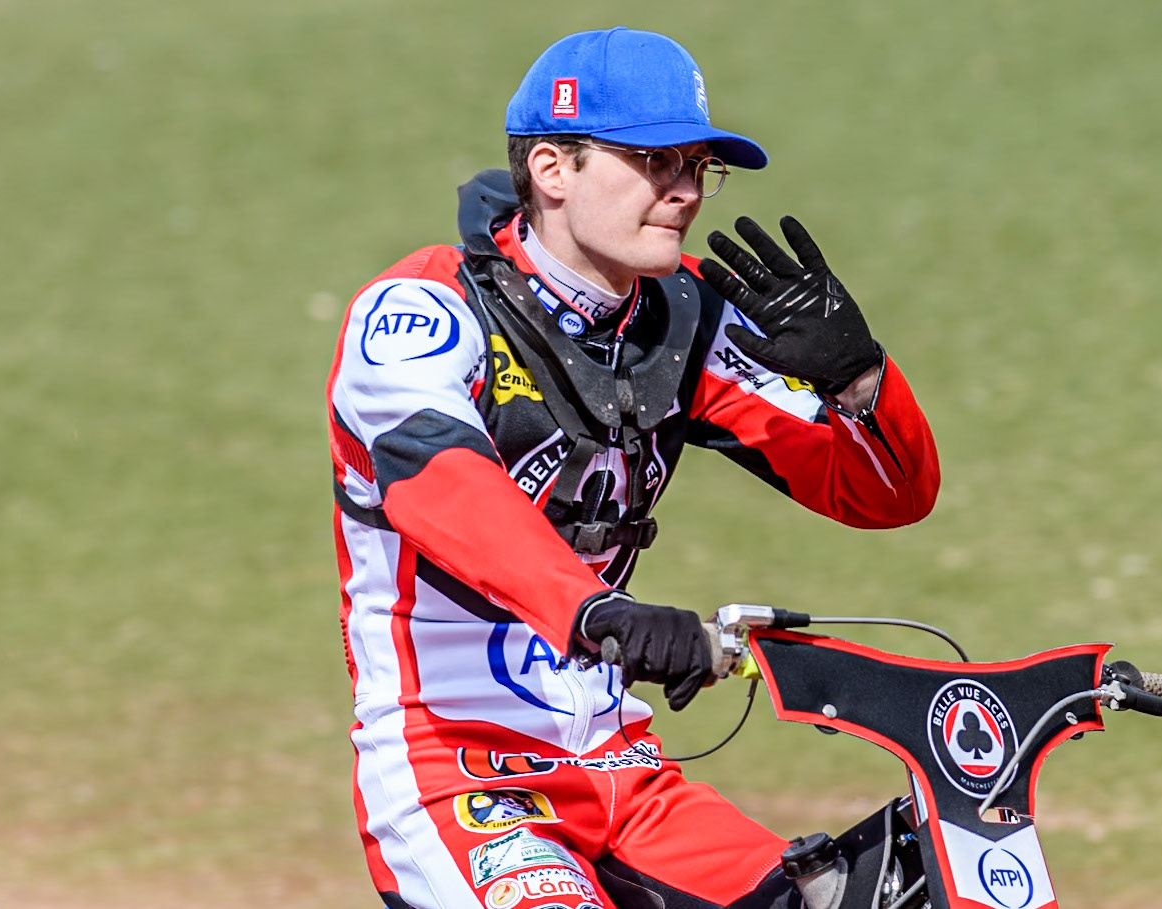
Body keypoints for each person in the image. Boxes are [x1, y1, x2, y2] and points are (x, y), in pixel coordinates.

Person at [327, 26, 941, 909]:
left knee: (886, 892)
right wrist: (599, 611)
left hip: (622, 771)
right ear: (552, 169)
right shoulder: (422, 312)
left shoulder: (685, 319)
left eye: (697, 165)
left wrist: (862, 382)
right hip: (457, 774)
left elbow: (885, 494)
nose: (685, 191)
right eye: (655, 162)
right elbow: (447, 486)